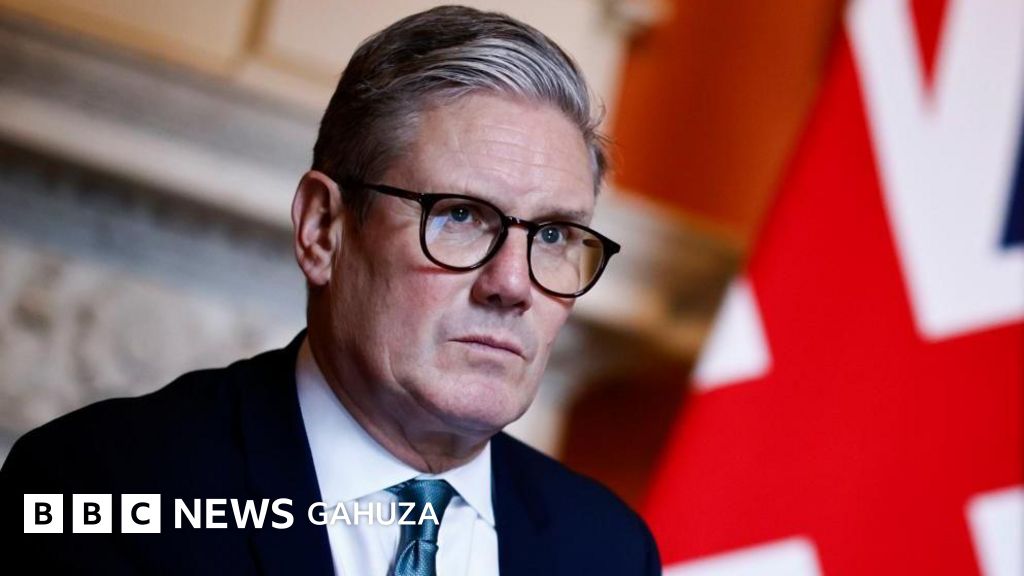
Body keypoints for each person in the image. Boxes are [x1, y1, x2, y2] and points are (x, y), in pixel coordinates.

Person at [0, 5, 661, 575]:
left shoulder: (608, 551)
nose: (512, 284)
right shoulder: (99, 488)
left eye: (553, 235)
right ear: (322, 230)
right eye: (460, 216)